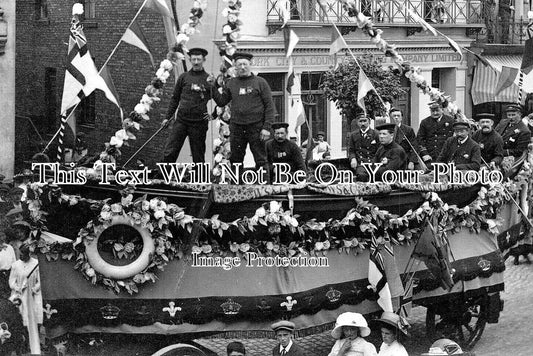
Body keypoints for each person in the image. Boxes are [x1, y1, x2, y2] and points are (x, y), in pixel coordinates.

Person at [212, 52, 275, 169]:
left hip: (256, 127)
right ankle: (238, 186)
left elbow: (270, 107)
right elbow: (221, 101)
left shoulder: (260, 82)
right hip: (237, 128)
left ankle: (264, 186)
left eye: (245, 64)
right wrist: (212, 87)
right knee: (236, 159)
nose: (242, 67)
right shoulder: (231, 83)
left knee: (261, 159)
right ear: (235, 66)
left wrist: (266, 128)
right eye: (239, 64)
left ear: (250, 64)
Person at [161, 47, 213, 163]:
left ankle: (199, 180)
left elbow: (220, 100)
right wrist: (167, 118)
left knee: (198, 155)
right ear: (190, 60)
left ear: (203, 60)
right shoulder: (183, 77)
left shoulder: (208, 79)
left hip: (199, 123)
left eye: (198, 59)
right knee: (170, 151)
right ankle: (163, 178)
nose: (196, 62)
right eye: (193, 59)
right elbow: (175, 99)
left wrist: (213, 115)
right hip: (181, 121)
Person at [9, 243, 43, 355]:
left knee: (34, 318)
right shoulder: (15, 265)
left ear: (28, 254)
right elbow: (11, 282)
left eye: (23, 254)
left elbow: (40, 281)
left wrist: (34, 289)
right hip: (20, 295)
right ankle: (23, 344)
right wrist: (18, 288)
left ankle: (34, 343)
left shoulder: (36, 264)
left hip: (33, 295)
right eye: (20, 254)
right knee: (21, 319)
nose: (20, 256)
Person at [417, 101, 455, 166]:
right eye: (432, 111)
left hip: (445, 155)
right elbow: (420, 139)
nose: (435, 113)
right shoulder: (425, 122)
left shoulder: (450, 120)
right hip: (430, 155)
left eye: (437, 111)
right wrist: (425, 153)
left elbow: (454, 139)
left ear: (442, 110)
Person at [348, 114, 379, 179]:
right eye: (360, 121)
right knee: (361, 175)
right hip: (360, 163)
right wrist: (353, 159)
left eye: (365, 121)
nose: (363, 123)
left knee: (377, 176)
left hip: (373, 162)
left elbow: (379, 150)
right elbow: (351, 150)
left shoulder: (375, 134)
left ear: (369, 122)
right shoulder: (353, 135)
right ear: (357, 123)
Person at [0, 231, 16, 299]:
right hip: (0, 274)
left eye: (2, 236)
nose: (1, 238)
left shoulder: (9, 247)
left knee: (10, 292)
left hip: (9, 273)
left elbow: (14, 261)